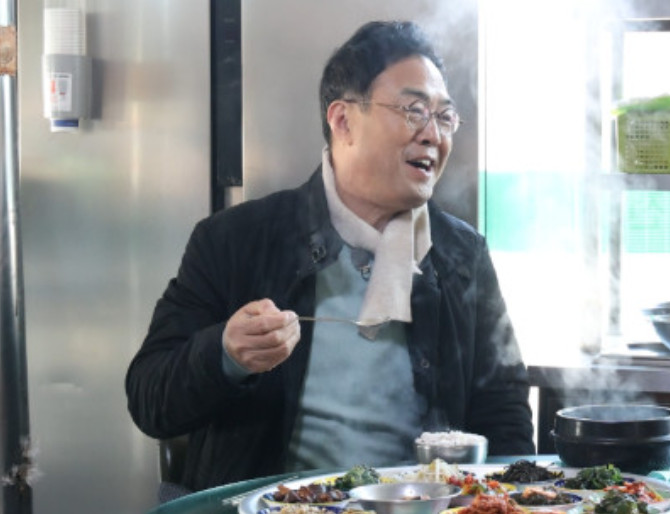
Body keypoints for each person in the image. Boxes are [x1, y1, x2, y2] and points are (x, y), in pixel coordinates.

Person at [125, 20, 535, 493]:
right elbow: (149, 399)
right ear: (342, 121)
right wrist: (226, 354)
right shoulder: (235, 240)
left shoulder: (461, 254)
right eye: (414, 110)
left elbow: (504, 415)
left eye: (444, 117)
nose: (433, 135)